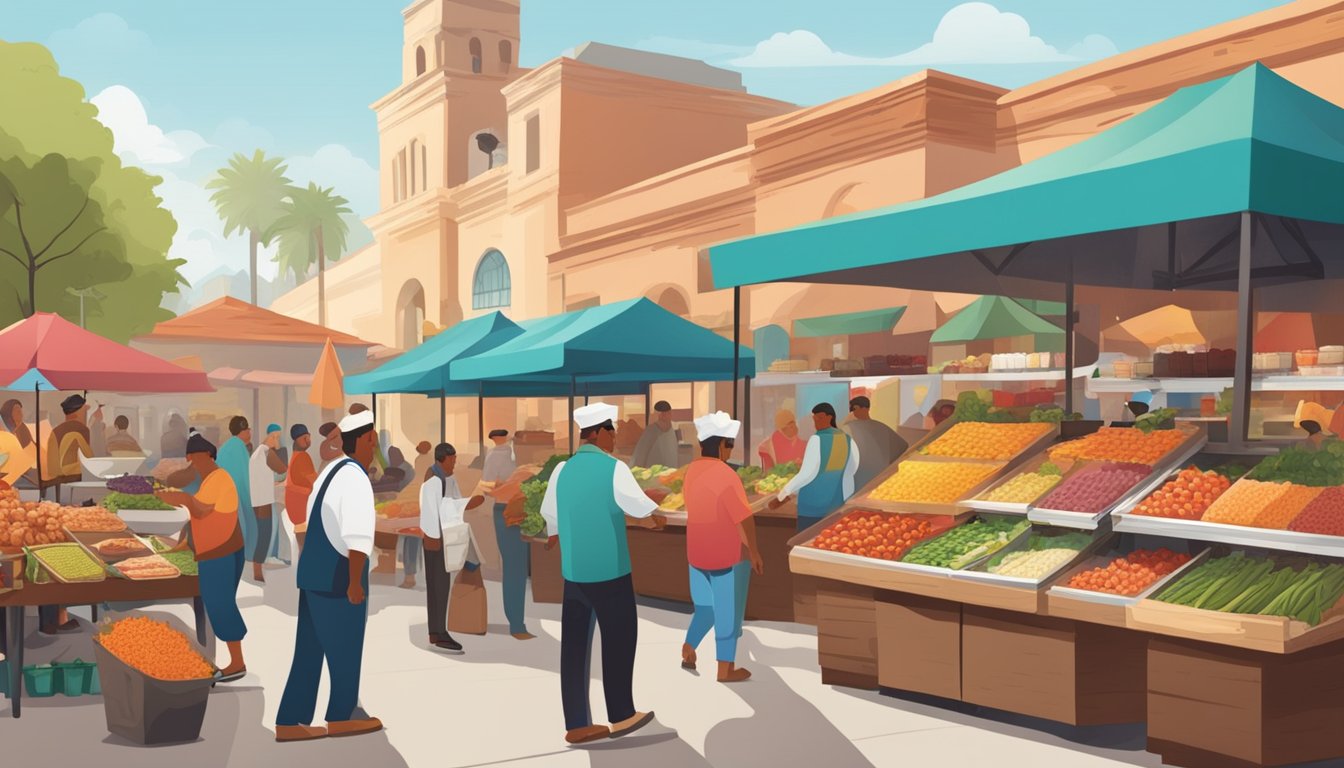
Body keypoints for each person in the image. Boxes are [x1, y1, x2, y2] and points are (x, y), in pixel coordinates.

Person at [540, 402, 665, 745]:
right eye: (612, 433)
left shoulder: (562, 470)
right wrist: (656, 518)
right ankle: (622, 714)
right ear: (601, 433)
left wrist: (556, 533)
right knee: (619, 639)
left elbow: (549, 512)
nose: (614, 440)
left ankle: (578, 722)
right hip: (610, 571)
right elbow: (638, 507)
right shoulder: (614, 467)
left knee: (575, 646)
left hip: (575, 572)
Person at [275, 410, 383, 743]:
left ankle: (290, 721)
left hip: (313, 572)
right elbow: (357, 536)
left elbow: (313, 519)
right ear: (366, 439)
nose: (374, 443)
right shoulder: (356, 478)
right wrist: (354, 582)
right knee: (347, 647)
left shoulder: (330, 471)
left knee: (308, 649)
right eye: (373, 438)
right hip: (339, 574)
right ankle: (342, 715)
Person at [156, 431, 249, 682]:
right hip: (220, 549)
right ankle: (233, 660)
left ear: (208, 455)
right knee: (220, 604)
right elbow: (201, 517)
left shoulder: (219, 478)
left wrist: (179, 498)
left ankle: (237, 663)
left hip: (220, 551)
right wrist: (183, 544)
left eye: (194, 458)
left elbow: (201, 510)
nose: (192, 463)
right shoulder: (210, 480)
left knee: (221, 604)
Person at [681, 411, 762, 683]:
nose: (731, 451)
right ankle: (725, 669)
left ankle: (689, 646)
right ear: (721, 445)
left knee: (705, 607)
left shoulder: (691, 472)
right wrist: (753, 551)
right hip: (725, 555)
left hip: (696, 551)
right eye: (730, 444)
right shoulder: (726, 475)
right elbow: (743, 517)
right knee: (727, 611)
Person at [419, 442, 485, 651]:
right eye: (452, 461)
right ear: (442, 459)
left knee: (439, 584)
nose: (454, 465)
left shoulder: (448, 478)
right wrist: (432, 537)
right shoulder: (433, 479)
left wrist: (466, 503)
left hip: (443, 534)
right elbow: (431, 509)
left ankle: (435, 631)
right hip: (435, 538)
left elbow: (453, 501)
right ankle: (439, 633)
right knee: (438, 585)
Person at [775, 403, 860, 532]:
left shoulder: (816, 440)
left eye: (819, 418)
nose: (816, 423)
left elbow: (807, 474)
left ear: (830, 417)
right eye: (815, 419)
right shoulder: (847, 439)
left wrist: (784, 493)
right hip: (836, 505)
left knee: (806, 544)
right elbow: (852, 470)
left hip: (811, 506)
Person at [481, 428, 533, 639]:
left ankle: (517, 622)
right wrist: (508, 487)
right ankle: (516, 624)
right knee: (515, 567)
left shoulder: (514, 457)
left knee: (518, 567)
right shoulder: (495, 456)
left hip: (520, 510)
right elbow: (486, 486)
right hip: (505, 511)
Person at [248, 424, 287, 582]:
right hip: (263, 500)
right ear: (270, 436)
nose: (277, 440)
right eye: (275, 437)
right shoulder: (266, 452)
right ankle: (257, 571)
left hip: (256, 499)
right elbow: (282, 468)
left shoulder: (257, 453)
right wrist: (279, 449)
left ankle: (257, 569)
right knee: (265, 533)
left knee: (262, 533)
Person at [843, 396, 908, 491]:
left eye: (852, 409)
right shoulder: (882, 427)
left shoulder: (847, 428)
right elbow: (902, 447)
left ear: (856, 408)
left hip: (858, 478)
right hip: (881, 478)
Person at [218, 416, 255, 565]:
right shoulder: (239, 447)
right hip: (237, 497)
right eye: (248, 429)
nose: (250, 432)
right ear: (244, 431)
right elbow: (245, 478)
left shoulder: (226, 447)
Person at [286, 424, 317, 552]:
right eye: (304, 438)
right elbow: (314, 480)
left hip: (296, 503)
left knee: (302, 539)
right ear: (296, 440)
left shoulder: (296, 455)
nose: (307, 440)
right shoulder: (303, 457)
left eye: (308, 436)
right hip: (301, 503)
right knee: (305, 541)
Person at [49, 394, 93, 483]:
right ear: (77, 413)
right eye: (84, 411)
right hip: (73, 476)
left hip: (54, 476)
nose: (86, 414)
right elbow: (89, 458)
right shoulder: (82, 429)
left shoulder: (55, 431)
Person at [631, 401, 679, 468]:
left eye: (669, 413)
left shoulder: (671, 431)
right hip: (652, 474)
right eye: (665, 414)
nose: (668, 416)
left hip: (669, 474)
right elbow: (640, 455)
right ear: (660, 415)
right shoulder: (651, 431)